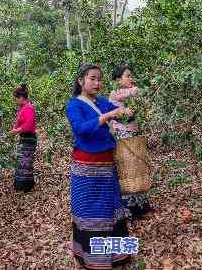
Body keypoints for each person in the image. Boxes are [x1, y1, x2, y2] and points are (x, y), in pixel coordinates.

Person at [65, 63, 133, 269]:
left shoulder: (103, 102)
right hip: (86, 171)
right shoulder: (74, 105)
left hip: (107, 167)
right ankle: (92, 259)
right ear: (81, 81)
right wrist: (107, 116)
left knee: (111, 210)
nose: (97, 83)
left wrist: (127, 111)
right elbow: (81, 129)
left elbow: (123, 113)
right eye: (92, 78)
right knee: (90, 212)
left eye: (99, 79)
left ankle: (118, 256)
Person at [109, 65, 155, 220]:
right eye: (127, 76)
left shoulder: (128, 94)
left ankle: (142, 204)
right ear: (117, 80)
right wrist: (145, 88)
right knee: (127, 170)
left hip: (132, 133)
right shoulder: (116, 93)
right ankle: (130, 208)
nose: (131, 78)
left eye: (131, 75)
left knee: (137, 168)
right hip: (123, 135)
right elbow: (133, 92)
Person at [8, 84, 38, 192]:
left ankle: (26, 186)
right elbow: (18, 123)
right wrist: (12, 131)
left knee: (26, 161)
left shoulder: (29, 108)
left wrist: (15, 131)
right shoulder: (23, 109)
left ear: (21, 97)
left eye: (16, 98)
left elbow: (28, 125)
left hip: (29, 138)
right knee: (22, 161)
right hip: (24, 138)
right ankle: (22, 185)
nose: (15, 101)